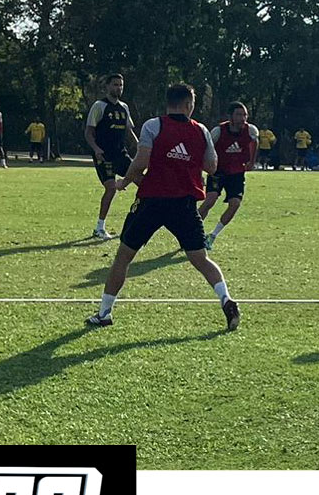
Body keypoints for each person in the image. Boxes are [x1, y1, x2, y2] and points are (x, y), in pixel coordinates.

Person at [86, 83, 239, 331]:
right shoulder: (200, 130)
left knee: (124, 256)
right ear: (189, 104)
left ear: (169, 103)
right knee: (201, 259)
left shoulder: (153, 125)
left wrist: (125, 180)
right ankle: (227, 300)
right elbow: (211, 167)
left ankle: (104, 312)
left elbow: (141, 160)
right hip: (185, 204)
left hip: (152, 201)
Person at [199, 101, 259, 249]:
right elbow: (204, 150)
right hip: (218, 171)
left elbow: (255, 142)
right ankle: (191, 232)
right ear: (230, 116)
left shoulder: (251, 130)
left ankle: (212, 236)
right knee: (210, 201)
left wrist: (251, 161)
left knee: (235, 204)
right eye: (239, 115)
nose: (243, 118)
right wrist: (200, 172)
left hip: (237, 174)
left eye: (245, 114)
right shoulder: (218, 131)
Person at [85, 74, 135, 240]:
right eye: (115, 85)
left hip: (121, 154)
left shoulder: (124, 108)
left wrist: (140, 145)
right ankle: (99, 228)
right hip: (104, 155)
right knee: (111, 187)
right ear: (107, 87)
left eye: (121, 85)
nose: (118, 88)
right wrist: (96, 148)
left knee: (144, 182)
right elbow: (89, 132)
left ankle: (137, 221)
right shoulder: (99, 106)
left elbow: (129, 131)